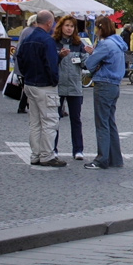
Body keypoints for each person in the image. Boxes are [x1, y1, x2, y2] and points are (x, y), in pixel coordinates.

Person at [14, 10, 66, 167]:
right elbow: (50, 64)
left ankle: (35, 154)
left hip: (30, 83)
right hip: (45, 85)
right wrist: (54, 80)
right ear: (49, 23)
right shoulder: (47, 41)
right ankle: (47, 155)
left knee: (35, 122)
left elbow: (19, 58)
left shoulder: (28, 38)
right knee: (50, 121)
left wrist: (26, 76)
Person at [83, 16, 128, 170]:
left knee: (102, 122)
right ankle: (115, 158)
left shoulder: (106, 44)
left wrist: (92, 54)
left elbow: (89, 64)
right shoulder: (118, 44)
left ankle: (102, 158)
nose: (95, 31)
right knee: (110, 121)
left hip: (104, 83)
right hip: (115, 85)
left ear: (101, 28)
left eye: (96, 28)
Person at [52, 15, 86, 161]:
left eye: (72, 26)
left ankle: (78, 150)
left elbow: (86, 65)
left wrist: (88, 55)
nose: (69, 28)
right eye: (67, 25)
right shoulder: (54, 42)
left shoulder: (79, 44)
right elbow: (49, 62)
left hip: (74, 86)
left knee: (76, 119)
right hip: (58, 86)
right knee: (54, 119)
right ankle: (53, 149)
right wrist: (59, 56)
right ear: (61, 27)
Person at [14, 14, 38, 114]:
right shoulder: (32, 31)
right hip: (27, 64)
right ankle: (23, 106)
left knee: (26, 85)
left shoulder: (25, 30)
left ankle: (24, 105)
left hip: (21, 63)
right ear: (34, 22)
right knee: (28, 86)